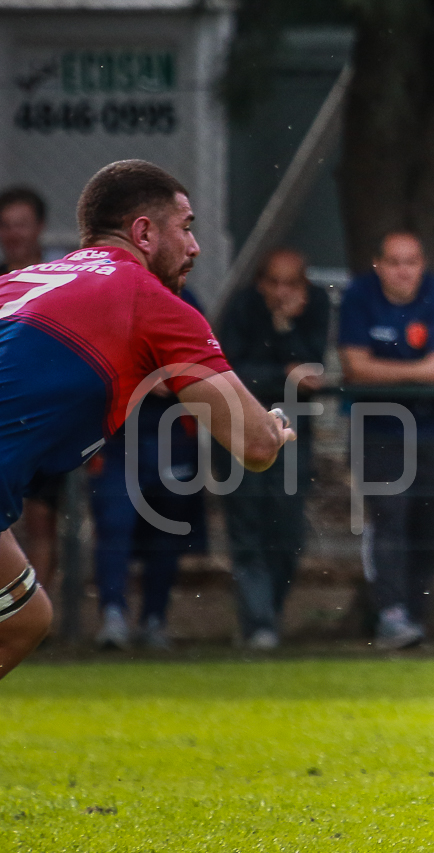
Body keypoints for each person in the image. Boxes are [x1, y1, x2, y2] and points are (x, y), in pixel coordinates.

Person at [0, 159, 293, 679]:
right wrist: (274, 424)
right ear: (143, 232)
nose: (195, 247)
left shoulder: (26, 279)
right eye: (186, 228)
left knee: (25, 618)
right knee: (24, 619)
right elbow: (256, 445)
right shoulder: (146, 298)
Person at [338, 231, 434, 650]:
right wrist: (417, 370)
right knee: (388, 520)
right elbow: (354, 366)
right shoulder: (359, 295)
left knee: (427, 523)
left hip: (432, 430)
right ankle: (390, 615)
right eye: (394, 262)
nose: (403, 271)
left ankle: (417, 617)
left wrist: (385, 370)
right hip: (376, 429)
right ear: (378, 265)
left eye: (411, 262)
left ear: (422, 264)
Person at [219, 247, 331, 649]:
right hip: (240, 429)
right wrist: (279, 373)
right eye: (274, 283)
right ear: (260, 282)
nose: (282, 292)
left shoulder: (315, 306)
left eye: (292, 283)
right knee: (247, 527)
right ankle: (259, 625)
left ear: (304, 285)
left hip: (293, 433)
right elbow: (226, 371)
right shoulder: (241, 307)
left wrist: (285, 326)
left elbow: (312, 371)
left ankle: (270, 616)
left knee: (288, 529)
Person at [90, 288, 210, 652]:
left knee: (167, 531)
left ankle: (155, 619)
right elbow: (92, 357)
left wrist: (172, 377)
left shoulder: (187, 301)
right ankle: (113, 615)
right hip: (115, 436)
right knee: (114, 526)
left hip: (173, 434)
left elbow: (208, 363)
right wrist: (140, 375)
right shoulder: (109, 295)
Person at [1, 187, 63, 595]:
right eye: (5, 225)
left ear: (39, 227)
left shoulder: (60, 285)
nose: (13, 233)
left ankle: (39, 614)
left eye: (21, 224)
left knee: (41, 519)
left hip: (43, 420)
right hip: (4, 417)